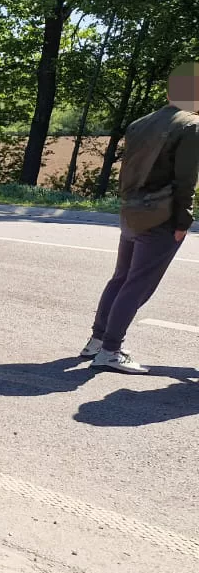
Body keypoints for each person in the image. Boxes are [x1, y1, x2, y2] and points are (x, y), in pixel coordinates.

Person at [83, 62, 199, 374]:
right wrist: (183, 222)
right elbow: (185, 181)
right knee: (137, 286)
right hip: (161, 216)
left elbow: (128, 173)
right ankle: (110, 350)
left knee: (121, 278)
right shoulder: (191, 127)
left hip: (131, 212)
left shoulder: (140, 123)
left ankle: (97, 341)